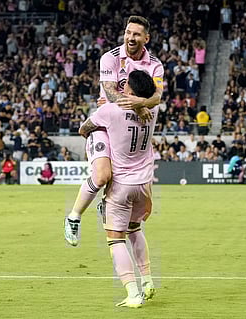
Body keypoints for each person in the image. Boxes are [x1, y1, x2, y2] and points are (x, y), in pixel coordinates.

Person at [65, 16, 164, 228]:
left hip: (133, 126)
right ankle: (73, 217)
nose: (131, 37)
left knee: (129, 183)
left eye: (136, 34)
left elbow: (158, 97)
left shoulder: (155, 65)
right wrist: (140, 105)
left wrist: (143, 104)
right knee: (102, 176)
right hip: (106, 122)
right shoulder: (110, 58)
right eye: (128, 32)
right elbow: (109, 94)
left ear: (146, 38)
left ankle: (107, 204)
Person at [70, 70, 158, 308]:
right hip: (144, 184)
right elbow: (151, 100)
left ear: (129, 90)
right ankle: (148, 281)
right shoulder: (153, 112)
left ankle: (132, 293)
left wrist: (99, 122)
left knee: (116, 240)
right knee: (135, 230)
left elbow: (83, 129)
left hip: (121, 185)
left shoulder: (110, 112)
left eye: (125, 85)